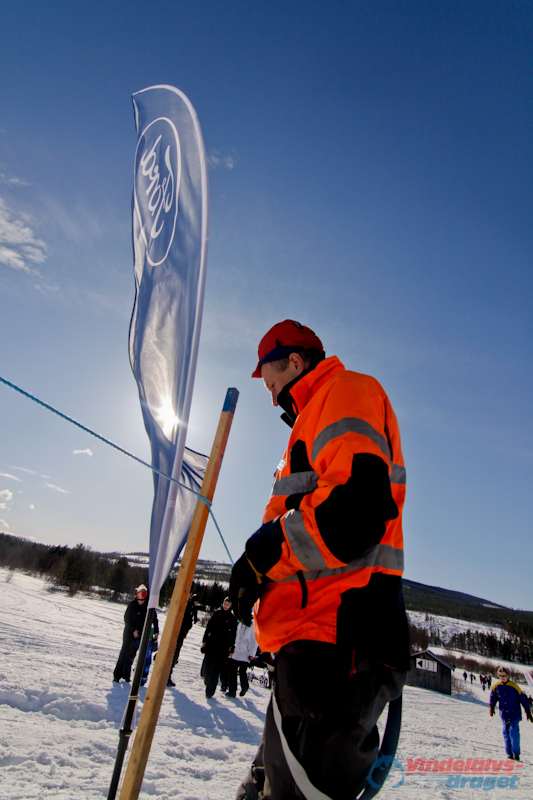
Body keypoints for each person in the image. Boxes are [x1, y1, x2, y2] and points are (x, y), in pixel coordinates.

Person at [229, 320, 410, 800]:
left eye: (271, 381)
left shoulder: (344, 393)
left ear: (294, 361)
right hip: (311, 650)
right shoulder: (310, 421)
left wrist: (262, 555)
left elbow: (355, 512)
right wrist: (258, 572)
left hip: (334, 647)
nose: (271, 398)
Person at [113, 584, 159, 683]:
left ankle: (126, 674)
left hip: (141, 633)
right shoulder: (133, 605)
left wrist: (156, 631)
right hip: (129, 631)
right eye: (138, 599)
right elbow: (126, 618)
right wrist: (133, 630)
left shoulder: (149, 607)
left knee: (132, 654)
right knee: (124, 651)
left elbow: (154, 619)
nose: (139, 602)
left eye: (142, 600)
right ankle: (117, 674)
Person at [490, 666, 533, 761]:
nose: (502, 677)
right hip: (504, 713)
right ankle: (509, 753)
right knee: (506, 732)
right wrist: (492, 706)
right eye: (500, 675)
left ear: (508, 675)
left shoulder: (514, 686)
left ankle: (516, 754)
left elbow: (523, 700)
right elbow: (493, 696)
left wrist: (528, 712)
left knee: (513, 732)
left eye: (504, 675)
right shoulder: (496, 685)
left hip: (514, 713)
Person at [201, 597, 237, 699]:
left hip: (223, 648)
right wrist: (204, 640)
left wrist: (231, 649)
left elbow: (233, 635)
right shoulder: (217, 614)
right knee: (206, 668)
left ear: (230, 606)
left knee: (215, 670)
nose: (225, 606)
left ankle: (210, 691)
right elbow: (209, 627)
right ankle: (207, 682)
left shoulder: (232, 619)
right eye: (225, 603)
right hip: (211, 645)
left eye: (228, 604)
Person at [167, 593, 199, 687]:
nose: (196, 603)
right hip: (178, 632)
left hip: (182, 634)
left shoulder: (193, 608)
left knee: (175, 654)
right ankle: (167, 675)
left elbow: (191, 620)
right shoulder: (188, 607)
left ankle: (168, 674)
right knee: (173, 653)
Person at [227, 620, 259, 697]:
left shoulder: (253, 625)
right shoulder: (240, 624)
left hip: (246, 652)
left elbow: (256, 640)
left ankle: (244, 687)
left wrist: (252, 654)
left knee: (242, 672)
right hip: (237, 651)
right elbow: (236, 637)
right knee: (233, 671)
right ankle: (232, 691)